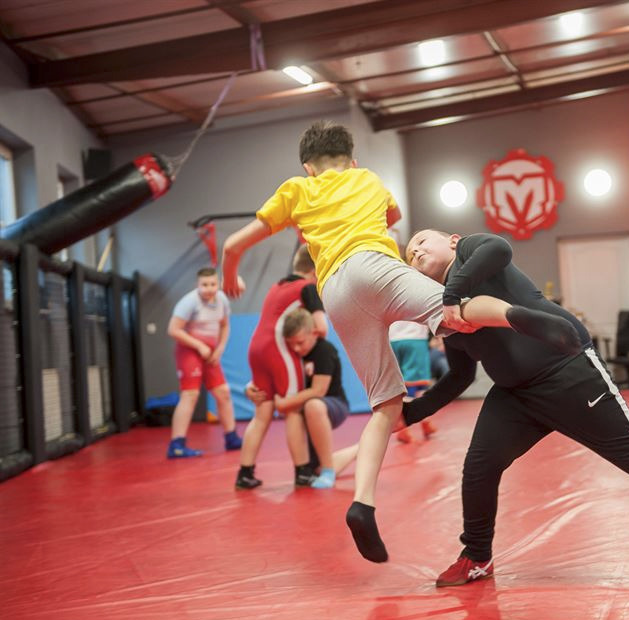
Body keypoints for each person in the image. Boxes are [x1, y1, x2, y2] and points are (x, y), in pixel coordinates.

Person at [220, 121, 580, 563]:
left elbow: (234, 245)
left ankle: (363, 503)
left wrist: (230, 272)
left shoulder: (297, 189)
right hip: (375, 267)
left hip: (335, 289)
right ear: (353, 161)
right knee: (458, 309)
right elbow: (391, 218)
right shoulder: (368, 179)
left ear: (307, 167)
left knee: (384, 407)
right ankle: (521, 318)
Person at [399, 230, 629, 586]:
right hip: (515, 395)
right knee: (479, 467)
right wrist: (411, 413)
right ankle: (477, 557)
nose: (414, 250)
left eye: (420, 241)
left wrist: (453, 292)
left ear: (451, 239)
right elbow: (459, 377)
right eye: (409, 254)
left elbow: (500, 247)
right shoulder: (444, 316)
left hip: (567, 371)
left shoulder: (473, 250)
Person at [235, 246, 328, 488]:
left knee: (262, 412)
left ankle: (244, 473)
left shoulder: (276, 286)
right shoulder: (308, 288)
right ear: (315, 270)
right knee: (293, 409)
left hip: (256, 348)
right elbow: (322, 328)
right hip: (278, 349)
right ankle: (302, 471)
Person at [241, 308, 359, 488]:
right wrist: (249, 388)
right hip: (307, 413)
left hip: (333, 405)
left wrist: (284, 403)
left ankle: (328, 470)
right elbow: (271, 376)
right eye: (291, 344)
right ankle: (358, 449)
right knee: (313, 470)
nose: (296, 348)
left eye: (300, 342)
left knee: (313, 405)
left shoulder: (324, 350)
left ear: (314, 333)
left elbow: (319, 390)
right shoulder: (291, 354)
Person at [166, 266, 241, 458]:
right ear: (197, 285)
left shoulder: (222, 300)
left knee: (223, 393)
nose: (209, 288)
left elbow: (224, 325)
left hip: (211, 352)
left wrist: (220, 348)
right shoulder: (189, 302)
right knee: (190, 395)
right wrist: (199, 346)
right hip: (189, 350)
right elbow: (173, 330)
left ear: (218, 284)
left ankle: (231, 437)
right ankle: (177, 445)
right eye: (204, 285)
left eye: (213, 284)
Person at [389, 320, 438, 443]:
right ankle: (404, 426)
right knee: (417, 385)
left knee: (402, 384)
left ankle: (424, 422)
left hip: (392, 340)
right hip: (415, 338)